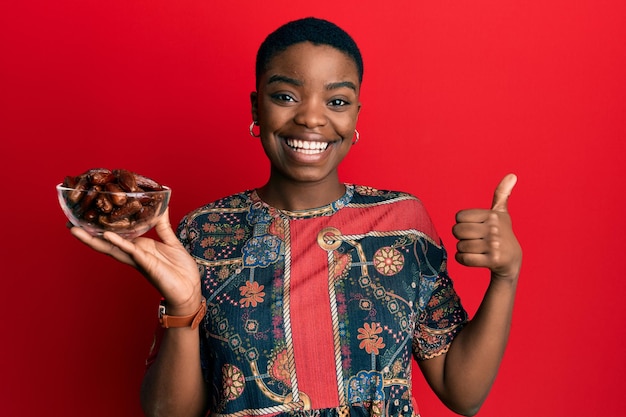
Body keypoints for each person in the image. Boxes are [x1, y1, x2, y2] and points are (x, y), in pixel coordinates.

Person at [71, 17, 522, 417]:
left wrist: (506, 275)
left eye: (337, 102)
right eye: (286, 95)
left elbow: (464, 394)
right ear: (256, 108)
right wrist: (183, 308)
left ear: (356, 117)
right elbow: (169, 412)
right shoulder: (203, 232)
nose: (311, 118)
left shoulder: (403, 222)